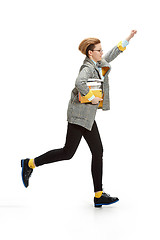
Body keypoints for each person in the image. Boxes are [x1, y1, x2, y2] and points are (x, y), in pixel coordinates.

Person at [21, 30, 137, 207]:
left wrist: (127, 40)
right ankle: (29, 163)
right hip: (78, 116)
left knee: (96, 151)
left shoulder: (97, 63)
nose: (101, 52)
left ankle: (98, 194)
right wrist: (92, 97)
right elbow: (79, 82)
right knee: (68, 153)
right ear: (91, 53)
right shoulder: (87, 67)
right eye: (99, 50)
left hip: (87, 116)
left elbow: (111, 55)